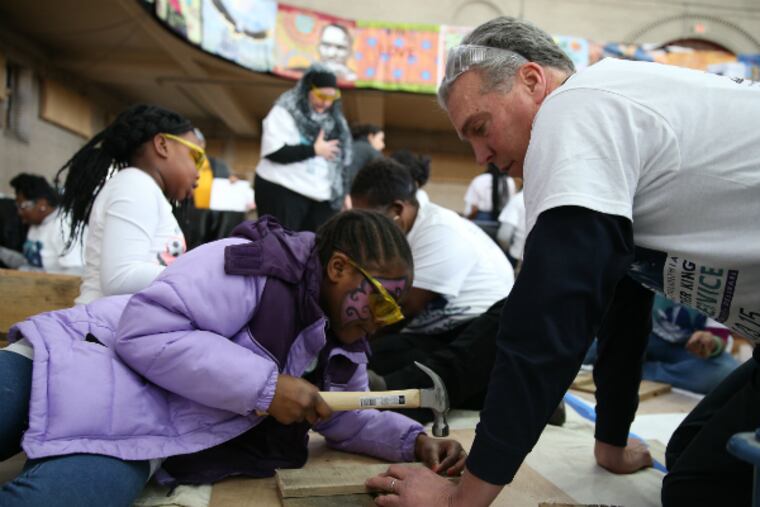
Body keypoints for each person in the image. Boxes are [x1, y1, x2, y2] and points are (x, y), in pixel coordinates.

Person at [366, 16, 760, 507]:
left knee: (702, 488)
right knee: (692, 454)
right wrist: (611, 442)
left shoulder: (574, 106)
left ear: (533, 81)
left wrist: (459, 500)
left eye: (481, 128)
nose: (479, 157)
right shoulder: (613, 111)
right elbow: (625, 303)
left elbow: (546, 324)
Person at [0, 210, 466, 506]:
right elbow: (144, 330)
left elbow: (347, 417)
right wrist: (264, 389)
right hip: (70, 358)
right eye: (381, 301)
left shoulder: (342, 347)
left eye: (394, 310)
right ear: (339, 267)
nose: (383, 321)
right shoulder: (252, 263)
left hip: (142, 432)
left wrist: (414, 442)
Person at [351, 158, 514, 417]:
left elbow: (404, 310)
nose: (363, 230)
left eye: (368, 220)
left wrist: (351, 340)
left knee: (459, 359)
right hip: (436, 332)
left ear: (396, 210)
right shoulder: (400, 233)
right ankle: (496, 394)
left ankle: (398, 392)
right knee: (369, 359)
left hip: (477, 327)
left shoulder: (439, 229)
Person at [55, 104, 202, 305]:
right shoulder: (135, 184)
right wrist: (199, 274)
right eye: (196, 156)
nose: (198, 171)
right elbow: (120, 278)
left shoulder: (143, 189)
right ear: (162, 145)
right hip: (101, 329)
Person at [254, 65, 352, 231]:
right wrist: (314, 150)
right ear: (308, 89)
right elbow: (274, 151)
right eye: (321, 95)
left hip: (321, 197)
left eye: (332, 97)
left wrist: (343, 192)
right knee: (280, 248)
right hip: (283, 189)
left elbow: (342, 161)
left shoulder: (337, 121)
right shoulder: (285, 110)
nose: (326, 102)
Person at [585, 294, 740, 395]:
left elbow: (719, 337)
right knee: (587, 347)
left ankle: (637, 370)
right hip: (643, 333)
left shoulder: (722, 275)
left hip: (687, 350)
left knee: (726, 374)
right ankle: (631, 366)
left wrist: (709, 343)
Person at [0, 173, 83, 274]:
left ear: (42, 204)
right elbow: (29, 265)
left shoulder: (64, 226)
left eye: (22, 206)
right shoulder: (37, 224)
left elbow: (77, 271)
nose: (19, 212)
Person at [496, 189, 525, 268]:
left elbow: (504, 236)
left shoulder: (519, 199)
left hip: (516, 256)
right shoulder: (553, 201)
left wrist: (508, 249)